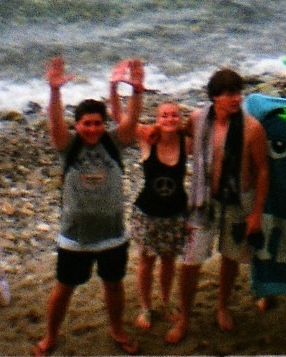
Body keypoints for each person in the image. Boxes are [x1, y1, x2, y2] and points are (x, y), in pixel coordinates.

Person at [35, 56, 144, 357]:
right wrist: (54, 91)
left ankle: (116, 329)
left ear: (105, 125)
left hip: (113, 235)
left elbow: (132, 120)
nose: (93, 129)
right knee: (64, 288)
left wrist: (137, 91)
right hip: (75, 237)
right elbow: (55, 123)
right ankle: (50, 336)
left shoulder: (114, 142)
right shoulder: (68, 146)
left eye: (98, 123)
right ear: (77, 125)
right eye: (87, 124)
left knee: (114, 285)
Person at [164, 68, 269, 345]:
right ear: (215, 97)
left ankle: (222, 306)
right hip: (203, 201)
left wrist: (257, 213)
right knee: (190, 261)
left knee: (231, 256)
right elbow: (179, 135)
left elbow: (262, 171)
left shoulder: (252, 128)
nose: (237, 99)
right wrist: (155, 129)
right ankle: (184, 317)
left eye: (238, 93)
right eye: (230, 94)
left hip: (237, 202)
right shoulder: (198, 119)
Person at [109, 78, 191, 332]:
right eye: (164, 115)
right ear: (157, 119)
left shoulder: (186, 143)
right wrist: (114, 88)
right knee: (146, 262)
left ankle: (166, 302)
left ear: (179, 119)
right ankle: (145, 306)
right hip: (147, 213)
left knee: (168, 261)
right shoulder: (147, 138)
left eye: (174, 115)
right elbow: (119, 117)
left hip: (176, 213)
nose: (169, 119)